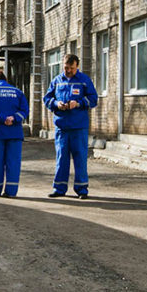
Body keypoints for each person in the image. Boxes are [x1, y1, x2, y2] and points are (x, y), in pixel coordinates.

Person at [43, 54, 98, 199]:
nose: (68, 71)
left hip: (79, 127)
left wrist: (78, 103)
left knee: (80, 158)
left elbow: (93, 99)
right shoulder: (56, 81)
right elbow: (47, 99)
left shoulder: (84, 80)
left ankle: (82, 189)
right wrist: (56, 104)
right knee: (61, 158)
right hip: (62, 127)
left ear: (77, 66)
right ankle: (59, 188)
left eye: (71, 68)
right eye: (66, 68)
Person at [0, 69, 29, 198]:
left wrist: (2, 118)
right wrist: (13, 118)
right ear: (6, 80)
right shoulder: (18, 92)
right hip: (15, 133)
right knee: (13, 163)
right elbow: (25, 110)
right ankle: (11, 191)